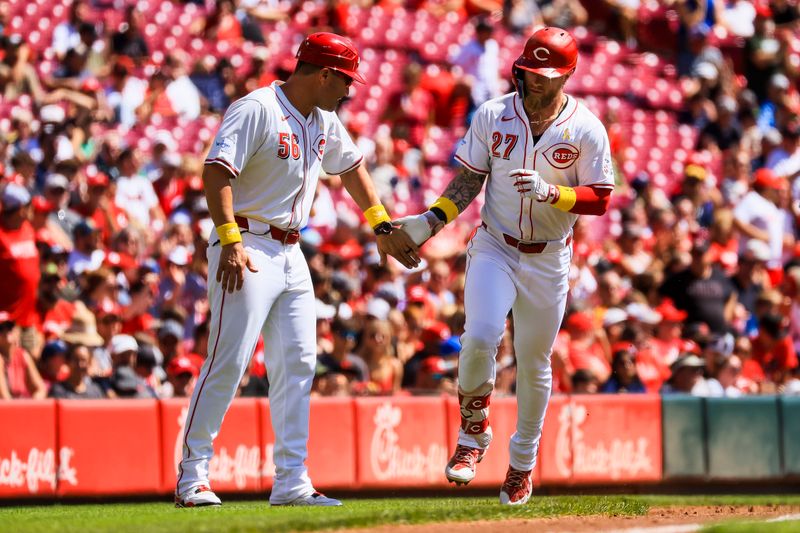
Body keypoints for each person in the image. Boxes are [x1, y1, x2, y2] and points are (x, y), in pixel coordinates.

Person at [175, 32, 420, 508]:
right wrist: (228, 239)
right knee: (230, 361)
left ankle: (291, 481)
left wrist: (380, 223)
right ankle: (192, 477)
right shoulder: (257, 108)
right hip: (245, 243)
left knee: (300, 363)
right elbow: (216, 173)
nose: (350, 90)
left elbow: (350, 168)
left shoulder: (322, 118)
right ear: (324, 74)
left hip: (291, 252)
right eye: (345, 80)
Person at [395, 27, 614, 505]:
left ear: (568, 75)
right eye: (529, 70)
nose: (534, 80)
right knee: (479, 335)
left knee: (535, 362)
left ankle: (523, 463)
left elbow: (600, 197)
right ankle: (473, 436)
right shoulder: (494, 113)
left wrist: (554, 193)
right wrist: (429, 223)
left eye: (545, 74)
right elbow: (469, 181)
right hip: (495, 244)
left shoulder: (586, 127)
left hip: (549, 255)